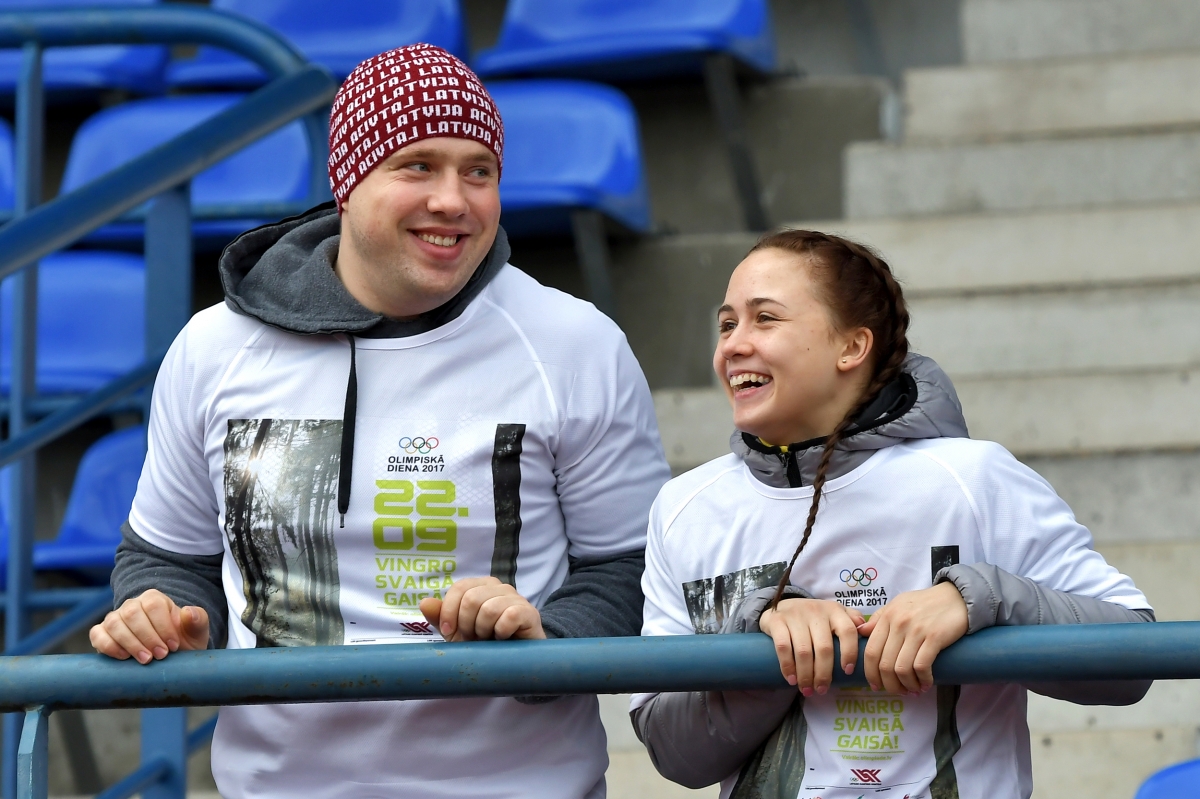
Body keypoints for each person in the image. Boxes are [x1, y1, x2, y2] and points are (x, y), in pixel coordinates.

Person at [87, 43, 671, 799]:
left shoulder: (574, 343)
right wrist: (164, 612)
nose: (453, 201)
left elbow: (633, 569)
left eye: (479, 172)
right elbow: (165, 554)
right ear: (347, 181)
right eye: (417, 166)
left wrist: (545, 643)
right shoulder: (214, 349)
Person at [631, 230, 1153, 799]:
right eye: (727, 324)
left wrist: (982, 600)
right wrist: (764, 647)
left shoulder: (973, 479)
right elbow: (673, 754)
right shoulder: (684, 507)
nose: (733, 345)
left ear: (852, 347)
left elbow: (1134, 659)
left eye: (766, 319)